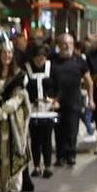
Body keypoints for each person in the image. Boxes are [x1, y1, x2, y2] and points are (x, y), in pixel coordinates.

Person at [0, 41, 34, 192]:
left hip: (12, 119)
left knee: (13, 149)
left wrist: (7, 108)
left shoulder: (20, 75)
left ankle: (14, 183)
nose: (7, 56)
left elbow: (20, 96)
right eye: (4, 53)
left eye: (10, 53)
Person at [48, 33, 91, 168]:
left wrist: (91, 99)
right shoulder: (52, 60)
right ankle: (60, 156)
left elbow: (88, 81)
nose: (67, 46)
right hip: (56, 102)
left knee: (72, 129)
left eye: (70, 44)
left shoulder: (79, 61)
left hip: (74, 101)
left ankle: (71, 154)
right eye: (64, 44)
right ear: (58, 46)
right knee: (58, 129)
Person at [24, 44, 59, 180]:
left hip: (48, 108)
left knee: (47, 138)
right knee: (35, 139)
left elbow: (58, 86)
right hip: (32, 109)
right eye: (37, 58)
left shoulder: (52, 68)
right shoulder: (26, 69)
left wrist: (54, 99)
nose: (40, 60)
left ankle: (48, 166)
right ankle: (37, 166)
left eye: (42, 57)